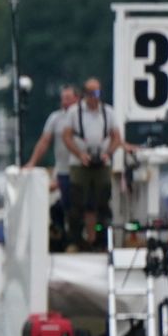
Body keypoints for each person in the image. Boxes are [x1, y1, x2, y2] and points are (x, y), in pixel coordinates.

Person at [62, 78, 122, 248]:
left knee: (102, 202)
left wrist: (107, 153)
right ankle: (76, 240)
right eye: (90, 93)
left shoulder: (108, 112)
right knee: (77, 202)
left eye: (96, 93)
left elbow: (117, 138)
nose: (93, 97)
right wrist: (80, 154)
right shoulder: (74, 112)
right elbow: (66, 136)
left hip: (101, 161)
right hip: (80, 162)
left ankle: (101, 240)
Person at [24, 85, 79, 216]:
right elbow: (44, 141)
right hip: (62, 169)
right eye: (63, 98)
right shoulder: (56, 118)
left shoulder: (83, 118)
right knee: (63, 204)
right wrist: (32, 162)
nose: (64, 102)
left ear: (77, 98)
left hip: (79, 167)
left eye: (68, 98)